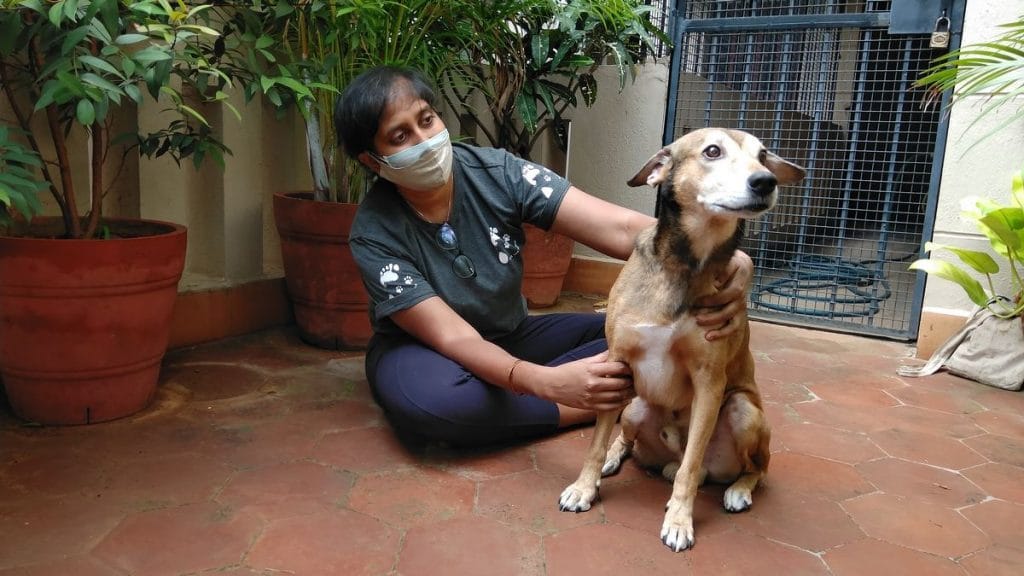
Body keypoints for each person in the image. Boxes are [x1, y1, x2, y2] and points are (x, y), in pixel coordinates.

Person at [334, 65, 753, 447]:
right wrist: (547, 383)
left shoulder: (498, 173)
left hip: (510, 335)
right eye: (400, 136)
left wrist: (724, 257)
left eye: (426, 120)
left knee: (652, 332)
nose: (424, 140)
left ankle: (563, 396)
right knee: (437, 403)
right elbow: (455, 338)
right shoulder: (373, 233)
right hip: (422, 353)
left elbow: (621, 229)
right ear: (372, 160)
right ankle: (596, 402)